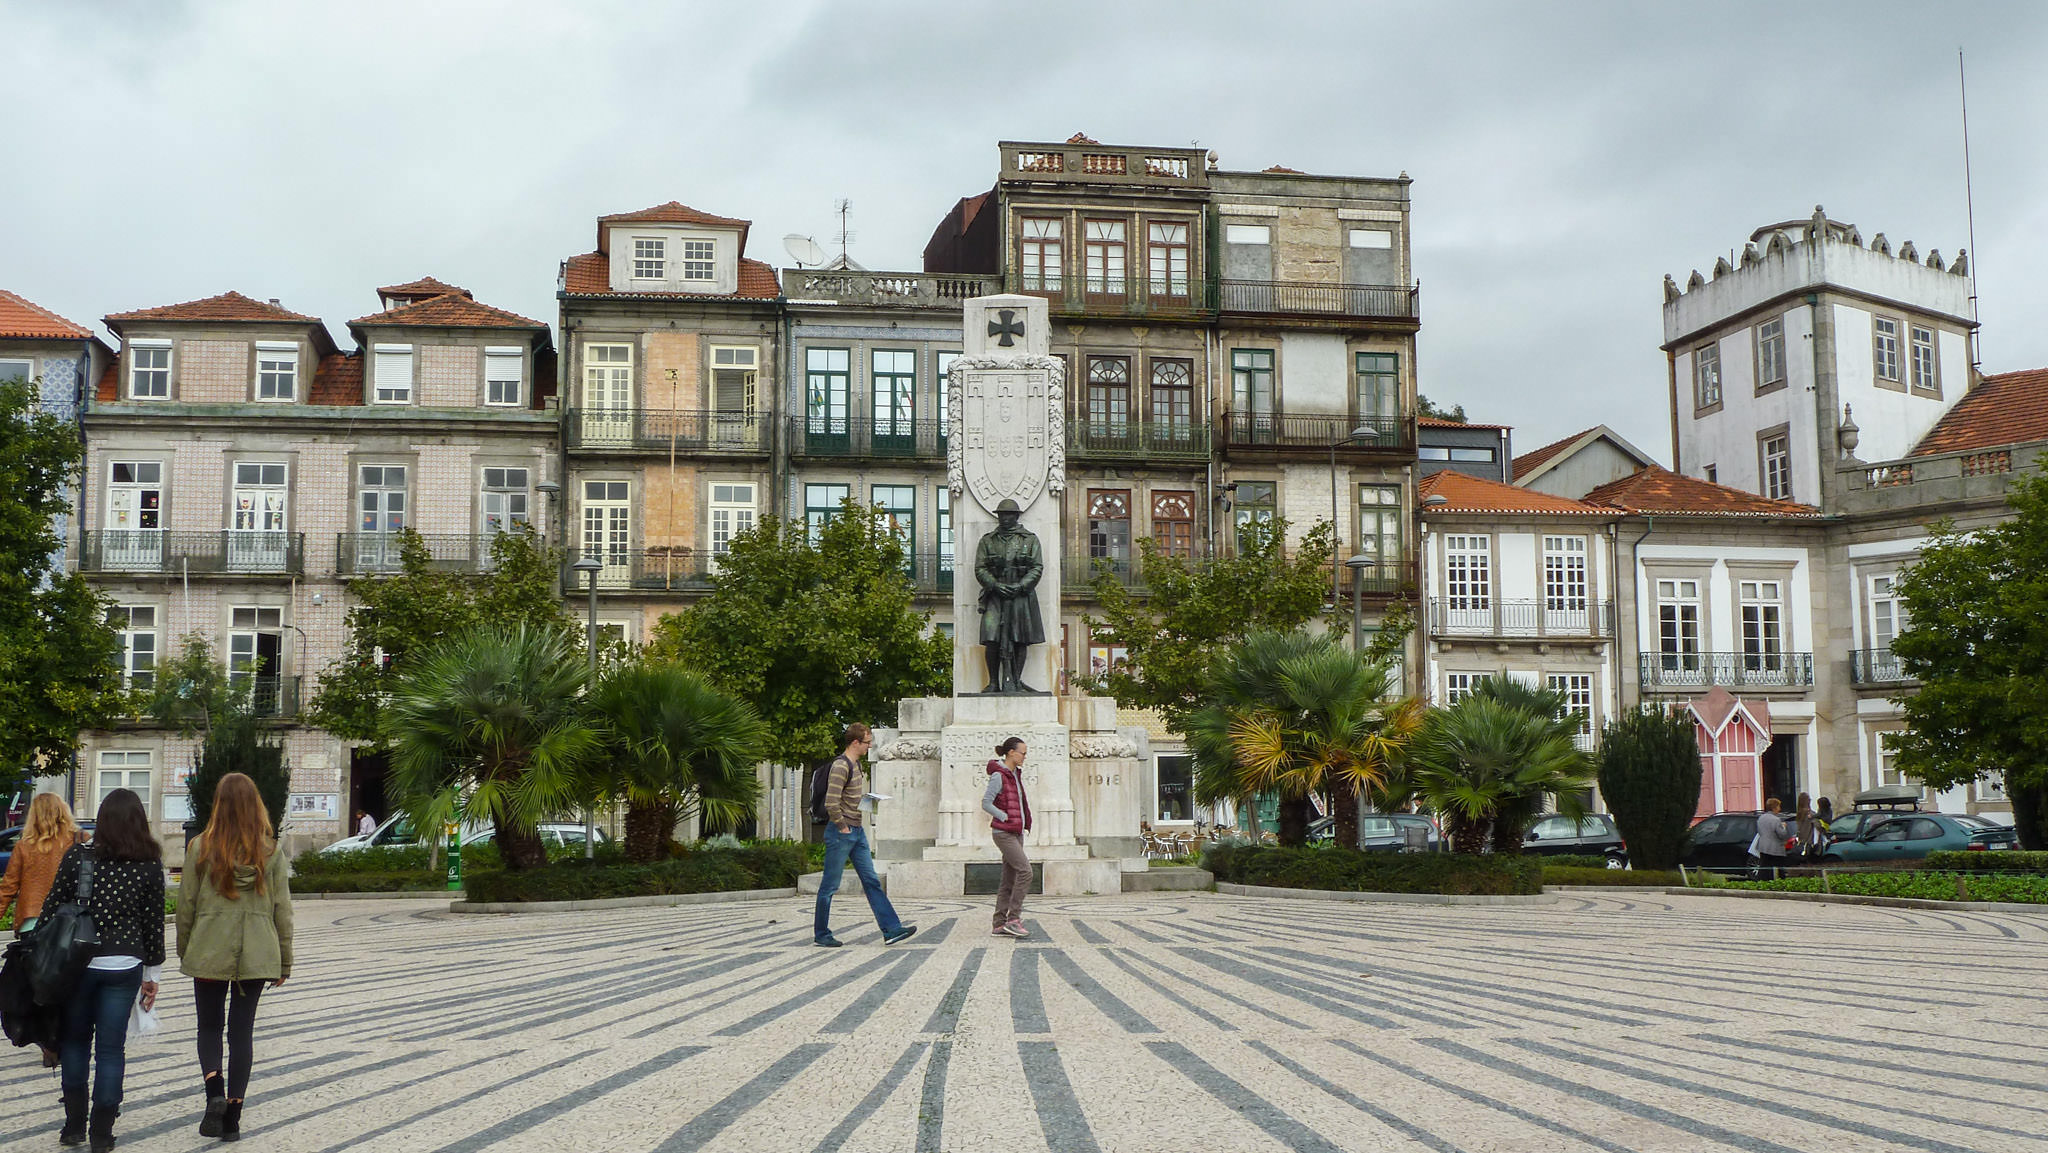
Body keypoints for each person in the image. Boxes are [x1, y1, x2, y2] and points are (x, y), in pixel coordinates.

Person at [179, 772, 294, 1141]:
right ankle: (234, 1117)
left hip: (209, 947)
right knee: (242, 1033)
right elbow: (283, 910)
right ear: (256, 805)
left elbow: (186, 906)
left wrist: (188, 950)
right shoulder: (271, 852)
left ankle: (214, 1092)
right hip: (257, 952)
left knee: (209, 1027)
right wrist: (284, 960)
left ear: (218, 804)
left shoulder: (199, 847)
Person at [47, 789, 164, 1151]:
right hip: (124, 964)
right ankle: (102, 1133)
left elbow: (53, 908)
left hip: (79, 965)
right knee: (111, 1051)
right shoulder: (148, 863)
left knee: (75, 1043)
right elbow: (153, 924)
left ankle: (73, 1126)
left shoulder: (78, 857)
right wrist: (151, 977)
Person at [814, 724, 915, 948]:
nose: (870, 746)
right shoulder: (841, 766)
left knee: (871, 881)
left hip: (856, 832)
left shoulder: (856, 765)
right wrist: (842, 827)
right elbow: (832, 801)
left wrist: (870, 801)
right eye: (867, 742)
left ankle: (891, 929)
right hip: (842, 832)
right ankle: (821, 933)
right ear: (855, 743)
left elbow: (849, 799)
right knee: (830, 885)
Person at [1, 794, 83, 1066]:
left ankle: (47, 1042)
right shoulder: (77, 841)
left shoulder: (24, 847)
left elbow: (8, 888)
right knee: (67, 985)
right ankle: (63, 1037)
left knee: (38, 988)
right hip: (67, 925)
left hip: (32, 926)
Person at [974, 499, 1045, 693]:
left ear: (1016, 516)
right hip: (995, 596)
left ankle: (1015, 680)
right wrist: (995, 585)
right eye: (1001, 515)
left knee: (1020, 638)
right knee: (991, 637)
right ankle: (994, 682)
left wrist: (1021, 586)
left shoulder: (1029, 540)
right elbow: (980, 569)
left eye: (1009, 515)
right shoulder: (988, 541)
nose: (1005, 518)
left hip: (1021, 596)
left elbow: (1037, 568)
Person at [982, 737, 1034, 938]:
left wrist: (1025, 822)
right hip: (1004, 833)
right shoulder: (999, 775)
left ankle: (999, 922)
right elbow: (986, 802)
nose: (1024, 757)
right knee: (1026, 871)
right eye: (1023, 752)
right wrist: (1004, 816)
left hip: (1016, 832)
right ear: (1011, 752)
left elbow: (1021, 802)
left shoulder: (1014, 774)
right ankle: (1013, 919)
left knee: (1009, 879)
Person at [1755, 797, 1793, 880]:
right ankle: (1778, 882)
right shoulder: (1776, 820)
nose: (1780, 809)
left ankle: (1762, 881)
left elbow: (1759, 831)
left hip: (1763, 846)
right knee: (1778, 867)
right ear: (1774, 808)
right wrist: (1784, 827)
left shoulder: (1761, 818)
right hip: (1775, 847)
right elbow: (1782, 834)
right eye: (1779, 806)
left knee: (1764, 866)